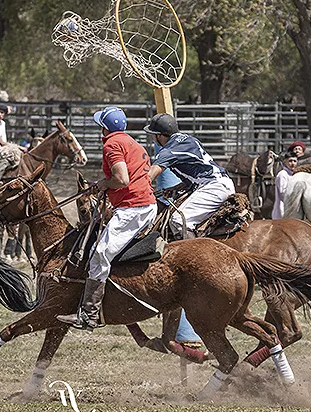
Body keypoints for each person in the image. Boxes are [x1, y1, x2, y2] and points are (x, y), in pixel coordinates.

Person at [56, 106, 157, 330]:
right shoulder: (132, 142)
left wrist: (104, 184)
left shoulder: (112, 144)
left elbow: (121, 179)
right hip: (146, 205)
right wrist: (101, 185)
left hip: (133, 208)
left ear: (104, 128)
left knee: (99, 255)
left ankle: (89, 315)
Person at [143, 113, 234, 240]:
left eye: (153, 134)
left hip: (213, 188)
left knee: (178, 221)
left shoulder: (168, 151)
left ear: (159, 135)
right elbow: (199, 172)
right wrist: (176, 187)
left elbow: (151, 174)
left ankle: (197, 259)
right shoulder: (190, 139)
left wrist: (136, 188)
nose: (153, 137)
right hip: (222, 183)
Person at [0, 104, 26, 191]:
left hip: (1, 149)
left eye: (2, 112)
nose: (0, 115)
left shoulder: (3, 123)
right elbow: (2, 143)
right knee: (4, 161)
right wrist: (19, 147)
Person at [271, 152, 297, 220]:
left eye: (295, 161)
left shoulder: (294, 174)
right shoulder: (282, 175)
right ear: (285, 162)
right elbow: (283, 193)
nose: (293, 163)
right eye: (290, 161)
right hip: (282, 211)